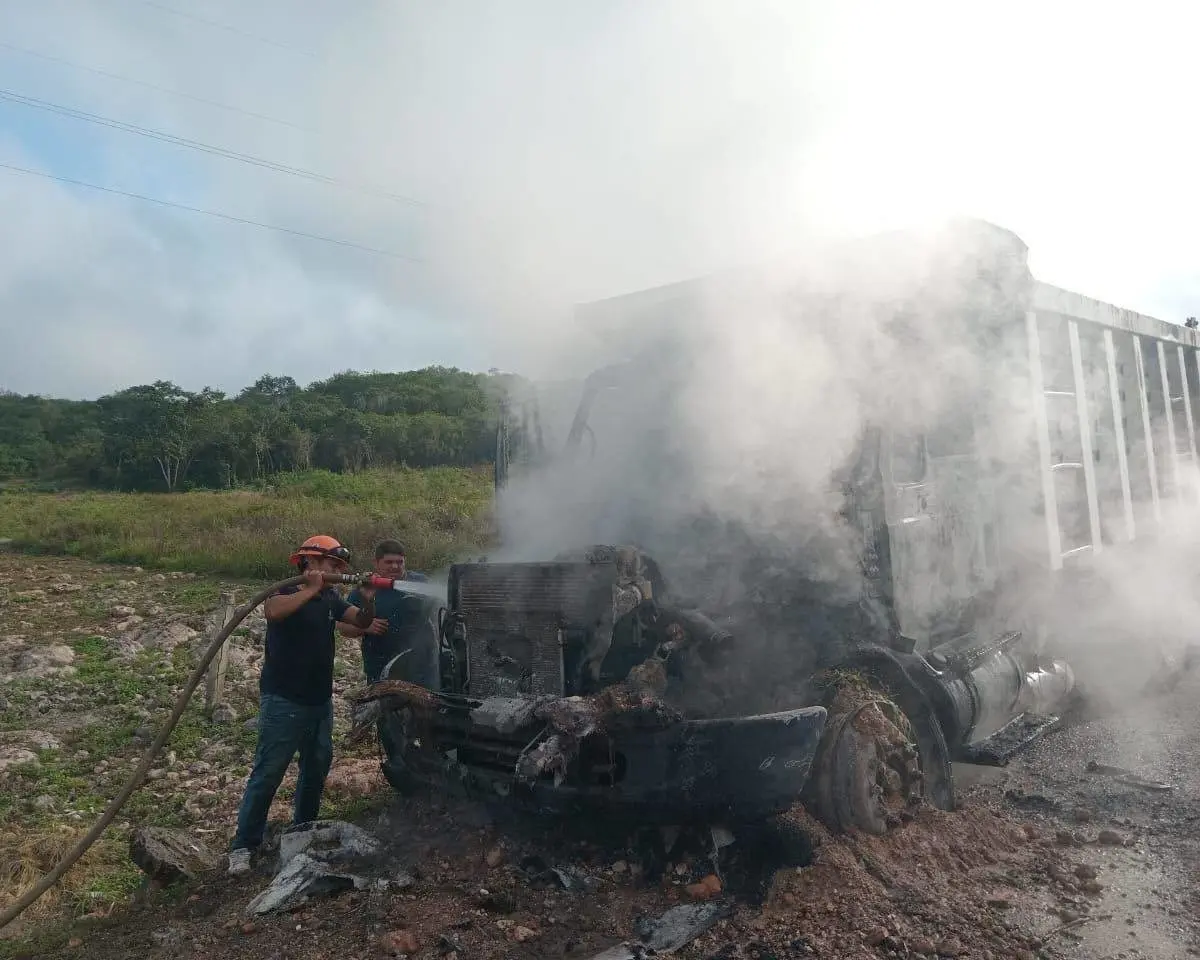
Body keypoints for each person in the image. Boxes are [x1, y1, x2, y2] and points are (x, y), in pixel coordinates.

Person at [228, 535, 377, 876]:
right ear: (309, 562)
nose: (338, 571)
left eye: (341, 568)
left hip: (319, 701)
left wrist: (368, 601)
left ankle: (302, 831)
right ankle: (243, 846)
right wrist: (309, 589)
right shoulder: (286, 592)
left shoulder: (331, 598)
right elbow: (272, 612)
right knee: (268, 774)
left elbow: (362, 622)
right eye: (332, 565)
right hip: (284, 699)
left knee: (315, 770)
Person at [339, 539, 436, 688]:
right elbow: (343, 628)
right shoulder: (364, 589)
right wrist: (365, 626)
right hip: (380, 668)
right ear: (376, 563)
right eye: (389, 562)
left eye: (400, 562)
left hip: (423, 666)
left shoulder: (421, 582)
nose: (395, 566)